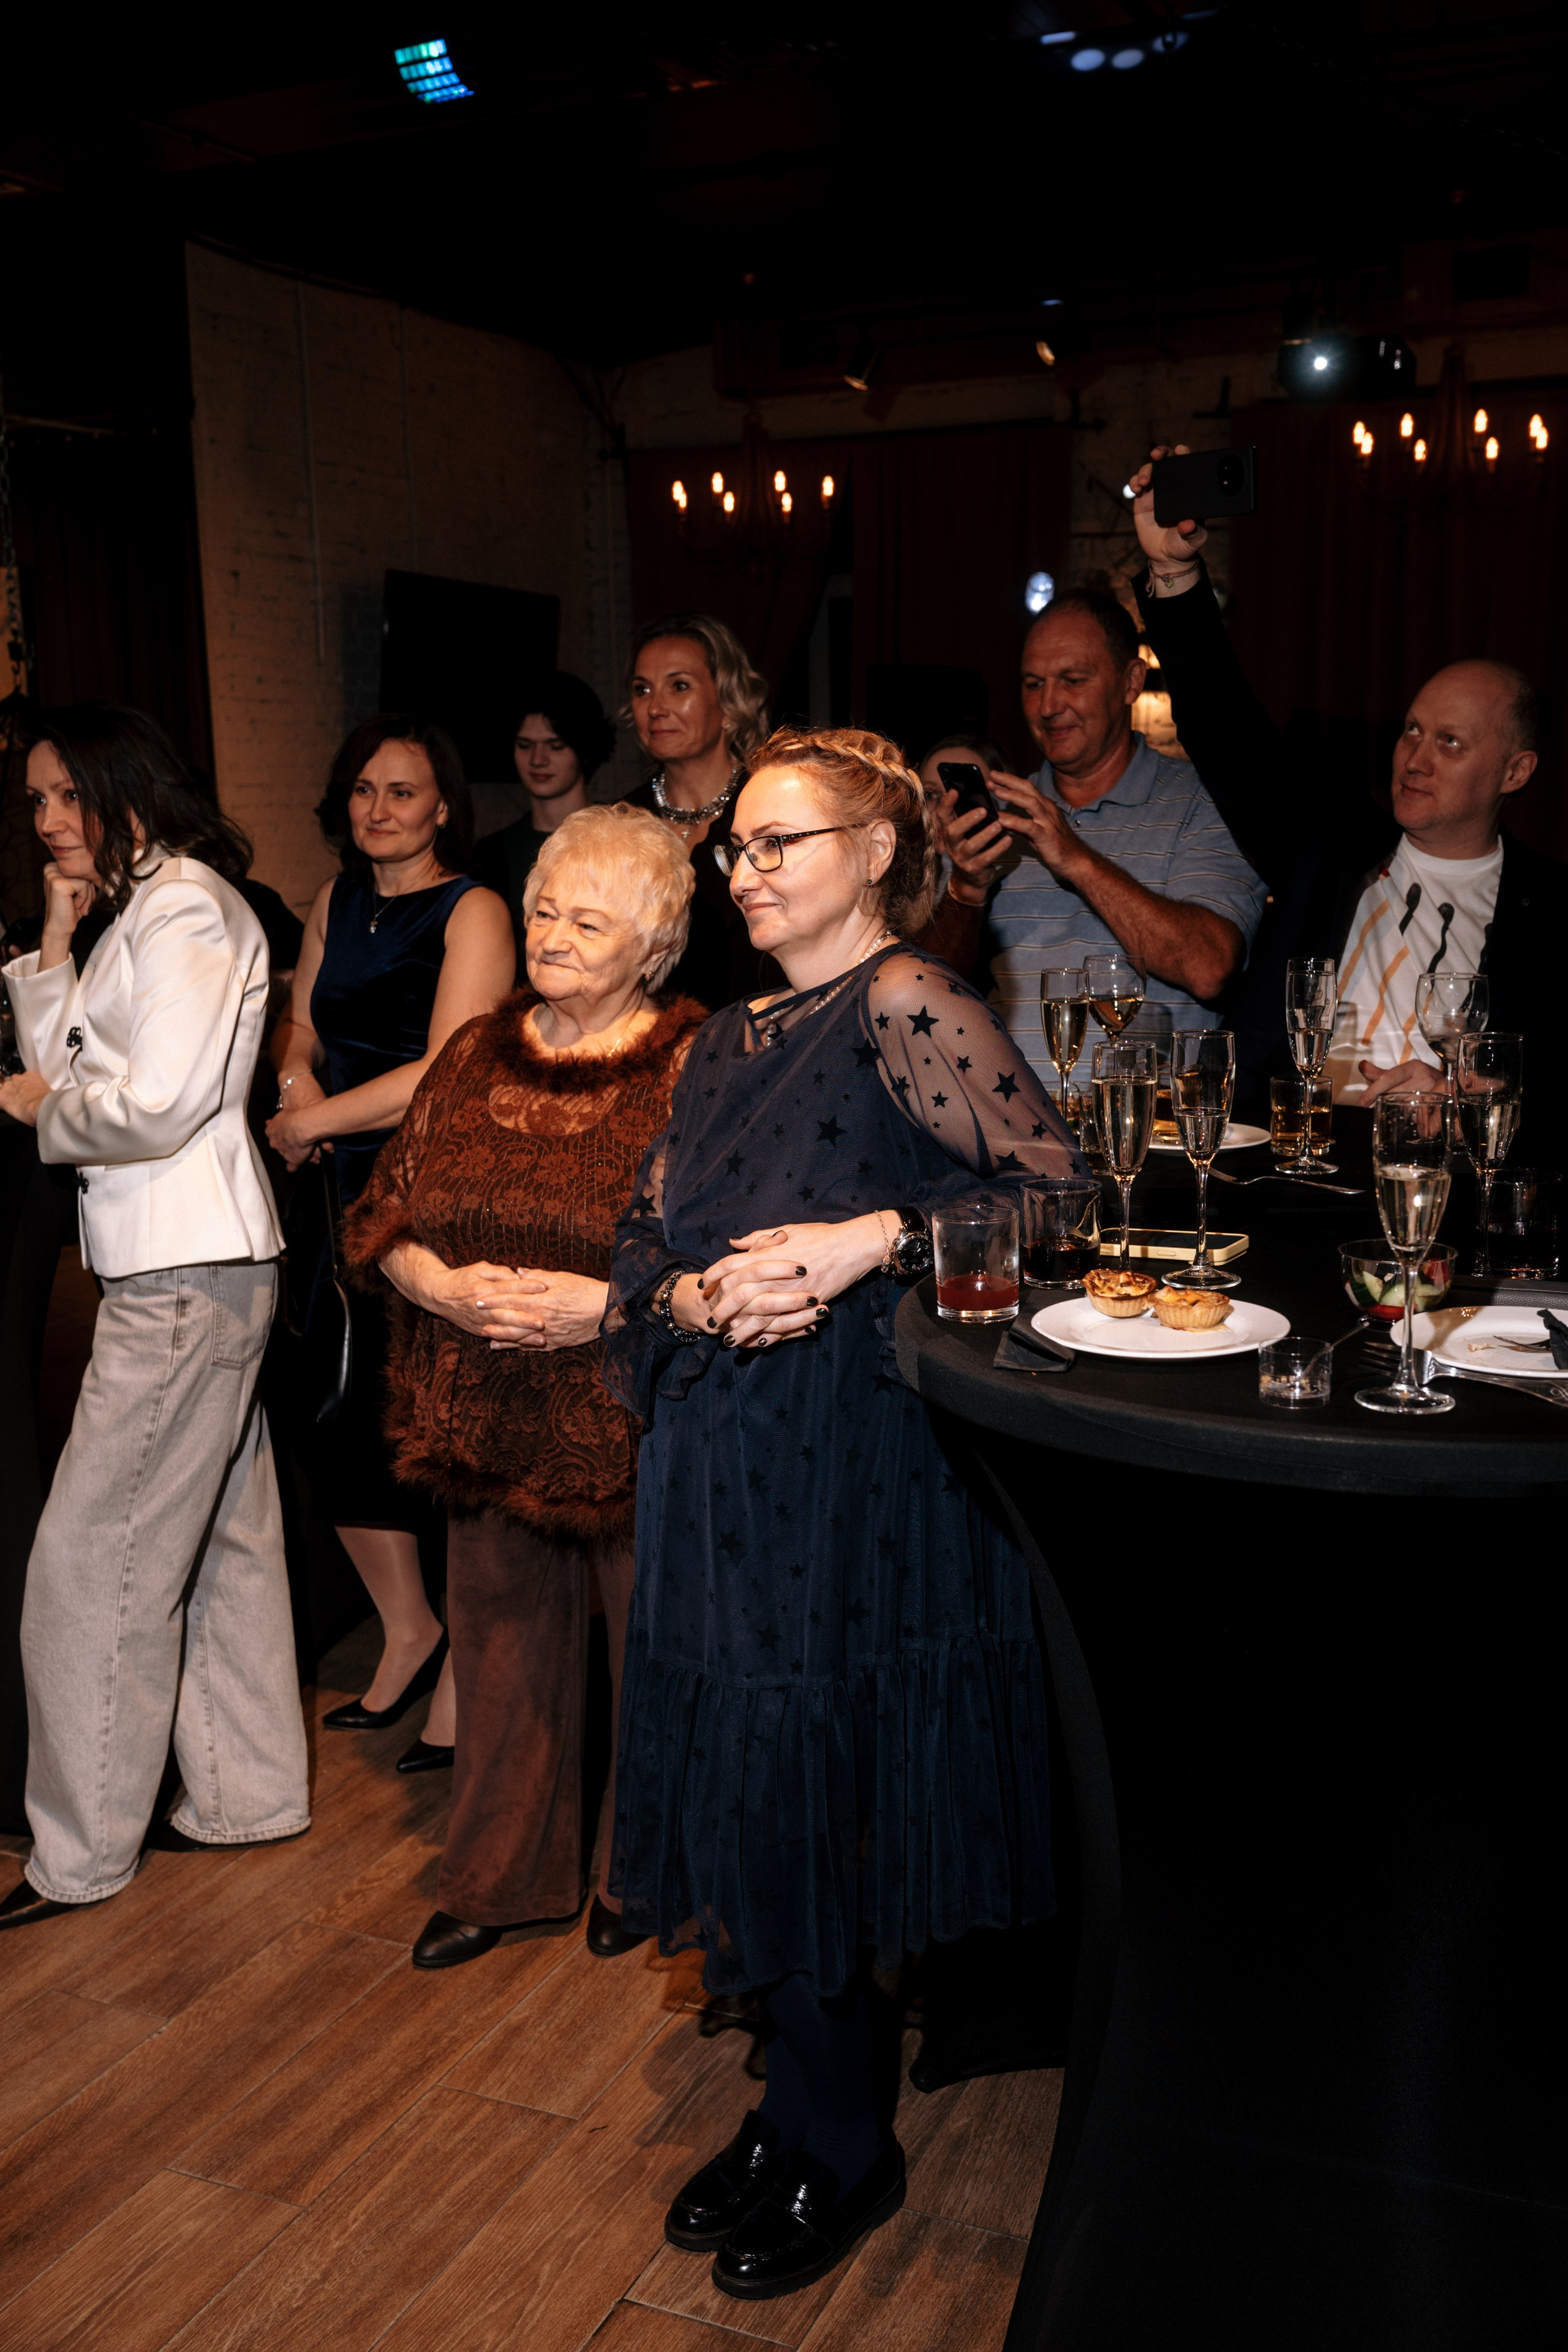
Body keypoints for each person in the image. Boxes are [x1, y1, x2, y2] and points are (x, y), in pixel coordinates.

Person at [601, 725, 1083, 2299]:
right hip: (715, 1461)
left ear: (874, 855)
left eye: (779, 842)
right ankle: (787, 2103)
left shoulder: (903, 997)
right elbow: (636, 1236)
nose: (742, 871)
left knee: (817, 1787)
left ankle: (841, 2138)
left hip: (844, 1478)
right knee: (749, 1787)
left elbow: (1061, 1198)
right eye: (733, 848)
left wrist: (865, 1239)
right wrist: (683, 1288)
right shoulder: (720, 1034)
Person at [344, 802, 705, 1967]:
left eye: (586, 920)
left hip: (632, 1419)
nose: (549, 934)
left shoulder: (699, 1063)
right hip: (483, 1413)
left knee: (653, 1662)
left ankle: (641, 1882)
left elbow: (724, 1252)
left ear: (651, 946)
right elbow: (383, 1206)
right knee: (499, 1662)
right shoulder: (476, 1049)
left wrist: (599, 1305)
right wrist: (441, 1286)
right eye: (545, 907)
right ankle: (500, 1882)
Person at [0, 704, 308, 1930]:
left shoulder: (187, 906)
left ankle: (75, 1856)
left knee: (91, 1559)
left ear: (129, 787)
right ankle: (246, 1796)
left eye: (68, 794)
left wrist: (35, 1108)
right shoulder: (148, 908)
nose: (48, 821)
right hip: (195, 1267)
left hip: (183, 1272)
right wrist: (59, 944)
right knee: (224, 1545)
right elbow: (86, 1065)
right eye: (34, 801)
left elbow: (152, 1105)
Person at [1128, 445, 1566, 1156]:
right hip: (1289, 1161)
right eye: (1412, 731)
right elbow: (1227, 734)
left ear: (1514, 772)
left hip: (1447, 1182)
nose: (1415, 758)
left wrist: (1471, 1098)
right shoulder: (1330, 842)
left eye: (1450, 744)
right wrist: (1174, 574)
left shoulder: (1551, 912)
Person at [265, 715, 514, 1769]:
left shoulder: (476, 909)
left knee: (433, 1436)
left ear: (444, 806)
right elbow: (299, 1021)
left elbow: (446, 1071)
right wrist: (294, 1078)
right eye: (364, 790)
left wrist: (311, 1121)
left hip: (427, 1191)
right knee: (327, 1419)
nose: (379, 809)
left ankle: (465, 1682)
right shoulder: (335, 900)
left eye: (402, 792)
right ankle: (408, 1628)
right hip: (327, 1194)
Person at [920, 589, 1268, 1091]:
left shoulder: (1202, 803)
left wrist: (1077, 860)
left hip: (1149, 1133)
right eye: (1033, 684)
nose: (1047, 706)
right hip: (1008, 1125)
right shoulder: (1000, 814)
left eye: (1073, 681)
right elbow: (925, 995)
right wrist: (966, 893)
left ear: (1132, 682)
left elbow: (1208, 967)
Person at [622, 612, 776, 1009]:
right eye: (642, 690)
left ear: (728, 702)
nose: (655, 707)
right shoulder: (616, 824)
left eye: (679, 686)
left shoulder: (775, 810)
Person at [470, 672, 619, 949]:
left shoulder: (623, 833)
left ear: (584, 750)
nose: (538, 760)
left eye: (555, 746)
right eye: (525, 746)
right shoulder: (491, 853)